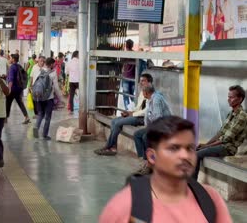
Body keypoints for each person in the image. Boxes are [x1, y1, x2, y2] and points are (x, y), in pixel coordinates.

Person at [99, 116, 233, 223]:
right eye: (174, 148)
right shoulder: (125, 206)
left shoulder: (209, 199)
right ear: (151, 156)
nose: (185, 156)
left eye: (190, 148)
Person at [193, 85, 247, 180]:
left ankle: (192, 185)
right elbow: (220, 133)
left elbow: (226, 138)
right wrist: (206, 144)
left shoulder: (242, 116)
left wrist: (207, 147)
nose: (228, 99)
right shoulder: (231, 114)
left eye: (231, 97)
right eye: (228, 97)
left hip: (228, 148)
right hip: (221, 145)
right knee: (194, 150)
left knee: (197, 155)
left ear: (239, 99)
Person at [95, 73, 153, 156]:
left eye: (143, 81)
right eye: (140, 81)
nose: (140, 83)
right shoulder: (142, 92)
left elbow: (146, 111)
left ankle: (109, 146)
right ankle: (113, 147)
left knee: (118, 123)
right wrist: (129, 112)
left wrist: (133, 114)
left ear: (149, 82)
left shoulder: (151, 93)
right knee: (114, 121)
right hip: (137, 115)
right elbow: (138, 107)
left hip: (142, 118)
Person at [134, 84, 172, 174]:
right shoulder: (150, 99)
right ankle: (145, 161)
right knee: (137, 135)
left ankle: (151, 164)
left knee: (146, 137)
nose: (142, 93)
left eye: (143, 92)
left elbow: (158, 118)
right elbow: (147, 115)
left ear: (146, 93)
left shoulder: (156, 99)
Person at [33, 58, 67, 140]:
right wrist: (62, 99)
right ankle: (45, 135)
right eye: (53, 64)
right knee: (47, 117)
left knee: (40, 114)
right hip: (49, 98)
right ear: (51, 64)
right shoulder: (53, 73)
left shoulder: (39, 70)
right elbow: (56, 88)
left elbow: (34, 83)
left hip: (38, 97)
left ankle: (36, 127)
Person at [6, 54, 30, 124]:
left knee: (8, 103)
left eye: (10, 58)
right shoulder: (19, 66)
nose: (10, 59)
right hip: (19, 88)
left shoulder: (12, 67)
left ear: (13, 59)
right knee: (20, 103)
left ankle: (5, 118)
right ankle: (26, 116)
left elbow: (11, 79)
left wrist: (9, 88)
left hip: (13, 88)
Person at [122, 39, 136, 110]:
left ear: (127, 45)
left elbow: (122, 62)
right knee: (132, 95)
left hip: (126, 77)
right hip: (133, 77)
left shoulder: (125, 54)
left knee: (125, 95)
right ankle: (136, 107)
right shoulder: (135, 54)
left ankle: (127, 110)